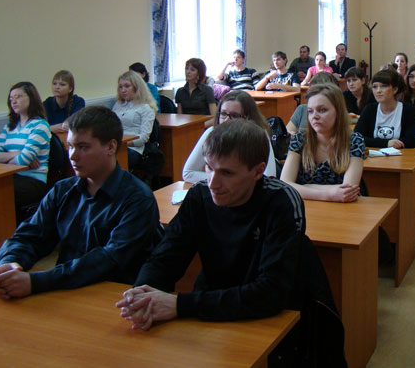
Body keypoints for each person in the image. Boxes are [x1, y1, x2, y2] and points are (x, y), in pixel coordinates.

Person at [116, 120, 305, 327]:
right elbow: (165, 258)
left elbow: (270, 293)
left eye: (227, 173)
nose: (213, 183)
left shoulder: (281, 201)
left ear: (258, 172)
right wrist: (142, 294)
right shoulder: (199, 196)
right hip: (210, 308)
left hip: (267, 319)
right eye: (208, 168)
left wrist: (181, 305)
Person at [0, 106, 162, 299]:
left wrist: (37, 282)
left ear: (111, 147)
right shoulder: (62, 191)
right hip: (64, 289)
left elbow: (109, 261)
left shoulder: (138, 199)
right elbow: (30, 235)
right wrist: (10, 263)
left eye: (83, 147)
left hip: (113, 298)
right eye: (70, 146)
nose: (72, 156)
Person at [281, 84, 367, 203]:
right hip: (309, 207)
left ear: (338, 111)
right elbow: (285, 184)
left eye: (322, 110)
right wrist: (329, 194)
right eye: (310, 111)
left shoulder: (354, 141)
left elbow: (348, 191)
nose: (314, 116)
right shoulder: (300, 139)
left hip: (344, 209)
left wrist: (304, 187)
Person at [182, 91, 276, 183]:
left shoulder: (259, 136)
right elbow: (188, 173)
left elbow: (269, 178)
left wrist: (232, 182)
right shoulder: (211, 132)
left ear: (248, 118)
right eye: (223, 114)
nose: (226, 120)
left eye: (234, 115)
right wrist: (223, 180)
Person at [0, 82, 51, 221]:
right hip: (12, 177)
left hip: (33, 180)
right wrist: (16, 154)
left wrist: (6, 161)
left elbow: (24, 160)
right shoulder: (9, 127)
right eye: (11, 99)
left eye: (18, 97)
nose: (14, 102)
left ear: (31, 98)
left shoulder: (40, 125)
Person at [355, 69, 415, 148]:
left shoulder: (408, 110)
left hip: (402, 154)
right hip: (374, 154)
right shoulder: (369, 109)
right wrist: (386, 143)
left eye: (383, 86)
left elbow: (411, 141)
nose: (378, 91)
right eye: (375, 87)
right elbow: (356, 137)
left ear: (395, 89)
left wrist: (375, 142)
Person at [112, 71, 157, 169]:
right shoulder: (118, 105)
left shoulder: (146, 108)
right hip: (116, 146)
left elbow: (143, 138)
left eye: (127, 86)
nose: (123, 90)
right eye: (120, 87)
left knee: (111, 161)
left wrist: (123, 144)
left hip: (133, 149)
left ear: (136, 87)